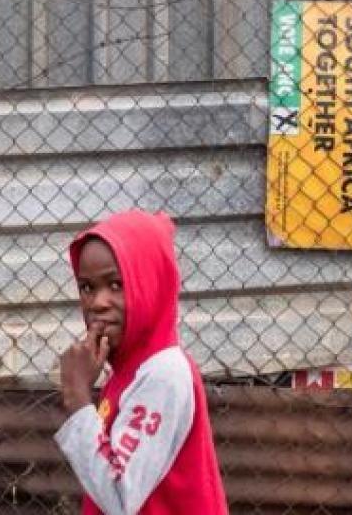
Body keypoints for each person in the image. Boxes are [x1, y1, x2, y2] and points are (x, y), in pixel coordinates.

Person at [54, 210, 227, 515]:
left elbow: (121, 497)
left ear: (150, 284)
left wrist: (78, 398)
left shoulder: (163, 373)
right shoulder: (129, 372)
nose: (98, 302)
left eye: (116, 284)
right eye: (87, 287)